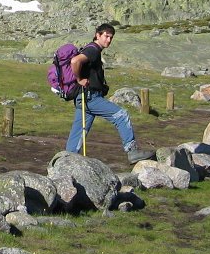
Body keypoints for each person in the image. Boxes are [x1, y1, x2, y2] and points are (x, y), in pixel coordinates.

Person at [64, 23, 155, 163]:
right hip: (90, 97)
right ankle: (132, 151)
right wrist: (79, 79)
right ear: (97, 35)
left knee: (78, 132)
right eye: (106, 36)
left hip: (82, 98)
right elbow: (75, 61)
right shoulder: (93, 50)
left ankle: (67, 161)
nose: (108, 40)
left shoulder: (91, 49)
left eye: (111, 37)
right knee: (121, 115)